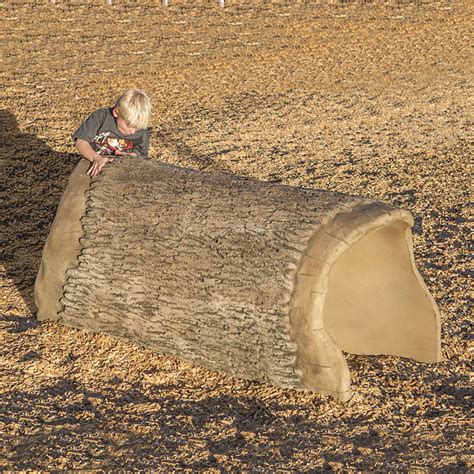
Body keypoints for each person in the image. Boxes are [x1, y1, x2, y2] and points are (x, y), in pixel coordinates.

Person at [73, 89, 152, 177]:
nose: (133, 131)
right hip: (93, 159)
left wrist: (131, 157)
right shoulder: (100, 117)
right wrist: (96, 158)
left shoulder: (142, 132)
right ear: (116, 112)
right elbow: (81, 142)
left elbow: (141, 156)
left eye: (137, 127)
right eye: (128, 125)